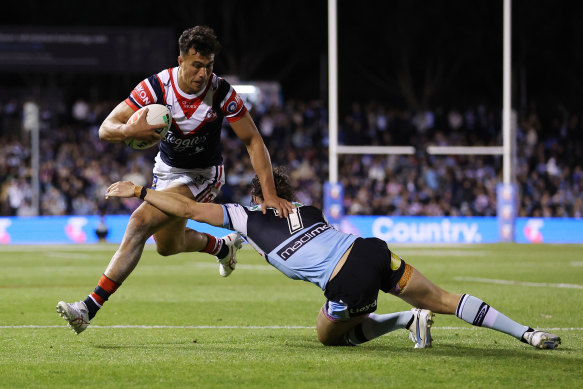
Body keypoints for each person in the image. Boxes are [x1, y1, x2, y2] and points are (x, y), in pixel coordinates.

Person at [96, 168, 561, 349]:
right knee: (444, 296)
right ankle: (528, 333)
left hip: (345, 279)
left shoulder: (244, 213)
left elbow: (188, 209)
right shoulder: (309, 209)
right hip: (370, 249)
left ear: (261, 194)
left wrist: (141, 191)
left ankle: (402, 323)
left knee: (327, 336)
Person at [56, 26, 292, 333]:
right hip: (166, 172)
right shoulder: (155, 87)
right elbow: (106, 128)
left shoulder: (221, 93)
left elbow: (253, 141)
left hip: (203, 176)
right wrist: (128, 131)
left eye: (209, 66)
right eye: (197, 65)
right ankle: (222, 249)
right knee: (167, 245)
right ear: (180, 60)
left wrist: (270, 194)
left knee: (139, 222)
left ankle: (88, 308)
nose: (203, 73)